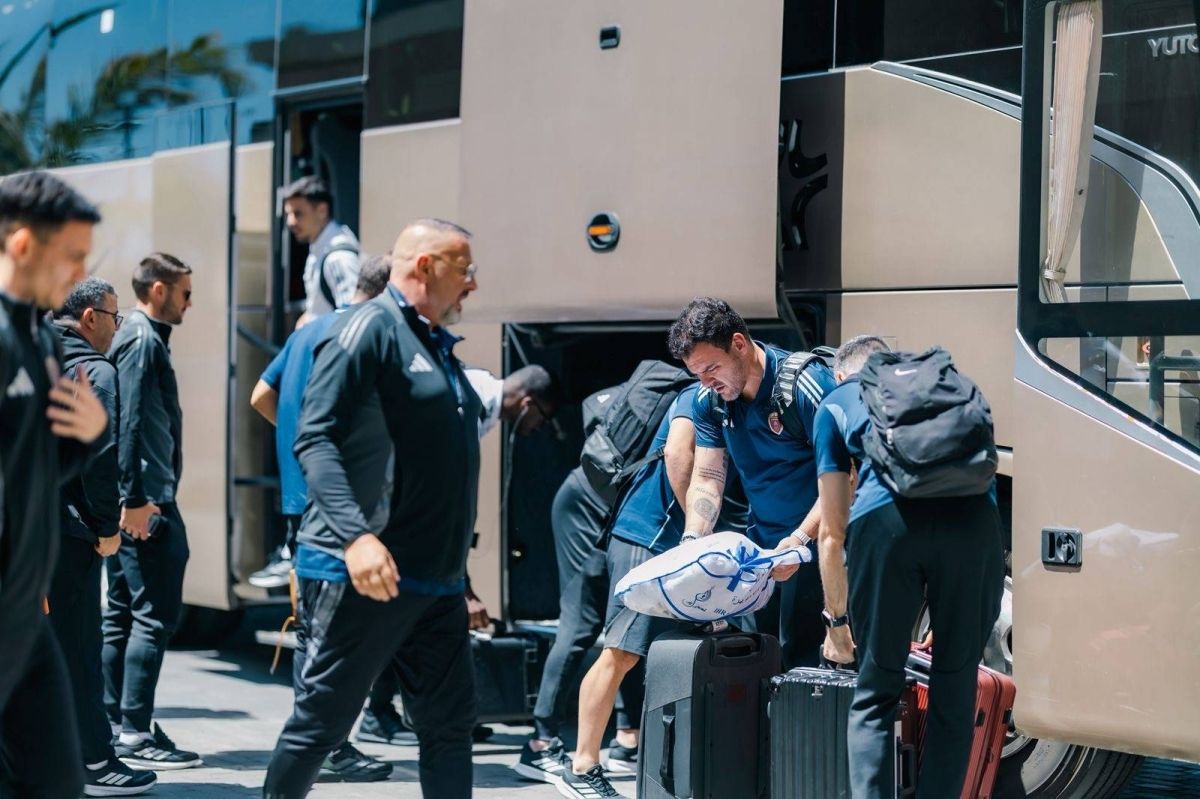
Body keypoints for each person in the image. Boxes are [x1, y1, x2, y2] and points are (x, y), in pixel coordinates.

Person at [263, 218, 482, 799]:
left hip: (435, 580)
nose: (472, 284)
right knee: (321, 725)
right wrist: (356, 537)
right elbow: (315, 439)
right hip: (365, 572)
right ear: (426, 266)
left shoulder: (433, 342)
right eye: (465, 269)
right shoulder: (368, 329)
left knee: (449, 728)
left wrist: (462, 577)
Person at [810, 335, 1004, 798]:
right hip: (974, 524)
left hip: (886, 522)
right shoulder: (951, 389)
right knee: (955, 689)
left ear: (843, 374)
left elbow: (831, 532)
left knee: (876, 692)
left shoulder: (836, 402)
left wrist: (838, 624)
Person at [557, 382, 748, 799]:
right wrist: (698, 532)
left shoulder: (738, 403)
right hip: (649, 535)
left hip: (677, 542)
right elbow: (677, 453)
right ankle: (582, 766)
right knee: (621, 652)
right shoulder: (697, 396)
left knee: (684, 650)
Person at [250, 254, 396, 781]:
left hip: (302, 500)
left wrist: (301, 445)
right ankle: (328, 743)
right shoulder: (369, 334)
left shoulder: (306, 333)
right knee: (340, 635)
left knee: (313, 629)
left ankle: (322, 740)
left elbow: (261, 396)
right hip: (346, 504)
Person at [359, 363, 559, 746]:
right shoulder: (469, 399)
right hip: (409, 527)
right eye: (542, 418)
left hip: (425, 531)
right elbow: (443, 493)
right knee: (405, 621)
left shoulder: (478, 400)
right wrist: (463, 585)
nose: (537, 428)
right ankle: (379, 713)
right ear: (528, 402)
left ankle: (448, 714)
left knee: (428, 626)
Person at [0, 170, 107, 798]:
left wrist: (87, 435)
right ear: (21, 245)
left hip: (23, 618)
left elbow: (38, 469)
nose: (81, 272)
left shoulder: (41, 335)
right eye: (72, 255)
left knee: (59, 783)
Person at [667, 297, 835, 668]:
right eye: (697, 374)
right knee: (760, 663)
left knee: (810, 666)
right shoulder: (709, 400)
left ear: (739, 344)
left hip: (821, 547)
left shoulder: (804, 384)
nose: (706, 382)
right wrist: (693, 540)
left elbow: (845, 476)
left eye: (711, 368)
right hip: (761, 556)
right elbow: (708, 477)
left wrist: (799, 540)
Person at [50, 277, 158, 795]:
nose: (118, 328)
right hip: (71, 533)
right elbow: (101, 455)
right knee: (79, 648)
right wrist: (105, 527)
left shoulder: (33, 356)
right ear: (90, 317)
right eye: (115, 318)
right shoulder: (95, 369)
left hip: (28, 530)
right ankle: (95, 762)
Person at [103, 252, 201, 769]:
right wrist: (135, 498)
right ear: (159, 289)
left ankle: (115, 724)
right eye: (186, 292)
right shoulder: (141, 339)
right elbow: (130, 421)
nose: (190, 302)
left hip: (140, 497)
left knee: (123, 612)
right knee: (152, 616)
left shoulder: (138, 336)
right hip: (147, 501)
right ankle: (135, 733)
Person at [283, 176, 361, 328]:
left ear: (322, 210)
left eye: (298, 213)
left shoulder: (338, 258)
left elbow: (352, 319)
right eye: (288, 214)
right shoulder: (320, 247)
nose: (290, 222)